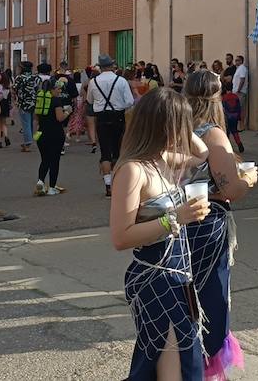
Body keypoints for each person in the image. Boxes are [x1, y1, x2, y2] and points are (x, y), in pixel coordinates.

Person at [108, 89, 211, 381]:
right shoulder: (132, 170)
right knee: (171, 366)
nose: (183, 134)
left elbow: (202, 153)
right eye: (178, 126)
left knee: (184, 358)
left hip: (179, 277)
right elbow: (120, 237)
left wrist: (182, 122)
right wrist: (174, 218)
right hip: (153, 278)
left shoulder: (162, 158)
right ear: (160, 127)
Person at [184, 70, 258, 379]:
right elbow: (230, 190)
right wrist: (248, 179)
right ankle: (205, 365)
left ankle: (186, 361)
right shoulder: (212, 133)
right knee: (211, 299)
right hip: (208, 223)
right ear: (216, 98)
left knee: (186, 297)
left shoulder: (178, 127)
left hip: (181, 220)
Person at [89, 54, 137, 198]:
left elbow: (90, 100)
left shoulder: (94, 81)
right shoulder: (121, 81)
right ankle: (118, 183)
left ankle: (108, 185)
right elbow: (129, 101)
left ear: (100, 67)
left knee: (105, 153)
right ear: (112, 65)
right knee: (117, 151)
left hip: (102, 117)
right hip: (118, 116)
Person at [34, 63, 72, 197]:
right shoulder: (56, 101)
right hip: (55, 134)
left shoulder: (40, 99)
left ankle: (40, 181)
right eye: (58, 88)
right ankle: (51, 187)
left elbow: (36, 118)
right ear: (52, 89)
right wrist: (68, 112)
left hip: (42, 133)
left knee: (44, 159)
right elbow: (60, 118)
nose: (59, 91)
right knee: (54, 161)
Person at [13, 61, 41, 153]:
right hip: (35, 102)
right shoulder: (35, 77)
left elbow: (14, 89)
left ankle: (28, 143)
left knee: (26, 124)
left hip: (24, 103)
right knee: (32, 122)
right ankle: (30, 139)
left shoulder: (19, 78)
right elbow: (39, 89)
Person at [221, 79, 246, 154]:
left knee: (227, 132)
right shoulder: (235, 97)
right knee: (235, 131)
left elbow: (223, 108)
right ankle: (239, 144)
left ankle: (227, 146)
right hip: (235, 116)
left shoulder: (224, 97)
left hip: (227, 116)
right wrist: (239, 117)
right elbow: (239, 107)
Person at [0, 69, 14, 148]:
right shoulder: (7, 88)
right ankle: (6, 136)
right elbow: (9, 98)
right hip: (5, 105)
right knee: (4, 123)